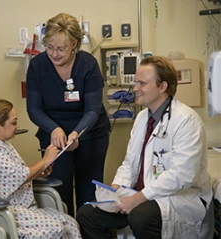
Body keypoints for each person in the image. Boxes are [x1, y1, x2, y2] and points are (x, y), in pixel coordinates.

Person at [76, 56, 214, 239]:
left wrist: (139, 198)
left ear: (162, 87)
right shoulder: (142, 118)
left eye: (142, 83)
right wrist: (115, 188)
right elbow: (130, 163)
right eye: (135, 83)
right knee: (87, 215)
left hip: (178, 198)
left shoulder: (186, 121)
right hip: (142, 193)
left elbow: (182, 174)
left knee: (140, 217)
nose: (135, 89)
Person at [26, 12, 111, 217]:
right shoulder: (38, 66)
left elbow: (93, 108)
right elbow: (34, 109)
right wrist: (54, 129)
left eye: (61, 48)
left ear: (74, 44)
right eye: (50, 47)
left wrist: (77, 133)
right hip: (53, 133)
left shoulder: (87, 64)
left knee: (87, 191)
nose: (54, 54)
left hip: (89, 132)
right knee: (58, 190)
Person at [0, 98, 82, 238]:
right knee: (57, 228)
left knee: (71, 223)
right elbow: (17, 176)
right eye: (13, 122)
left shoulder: (0, 143)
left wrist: (39, 172)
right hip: (3, 210)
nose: (17, 125)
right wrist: (45, 160)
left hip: (19, 209)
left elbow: (11, 174)